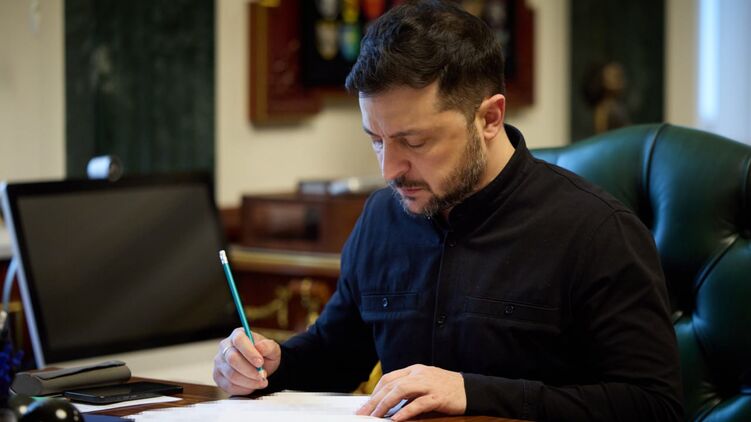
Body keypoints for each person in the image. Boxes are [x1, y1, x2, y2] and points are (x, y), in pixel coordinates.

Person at [213, 1, 683, 420]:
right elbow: (336, 354)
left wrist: (474, 393)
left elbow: (653, 406)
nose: (390, 169)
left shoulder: (597, 231)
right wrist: (269, 365)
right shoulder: (382, 217)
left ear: (490, 118)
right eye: (376, 140)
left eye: (414, 142)